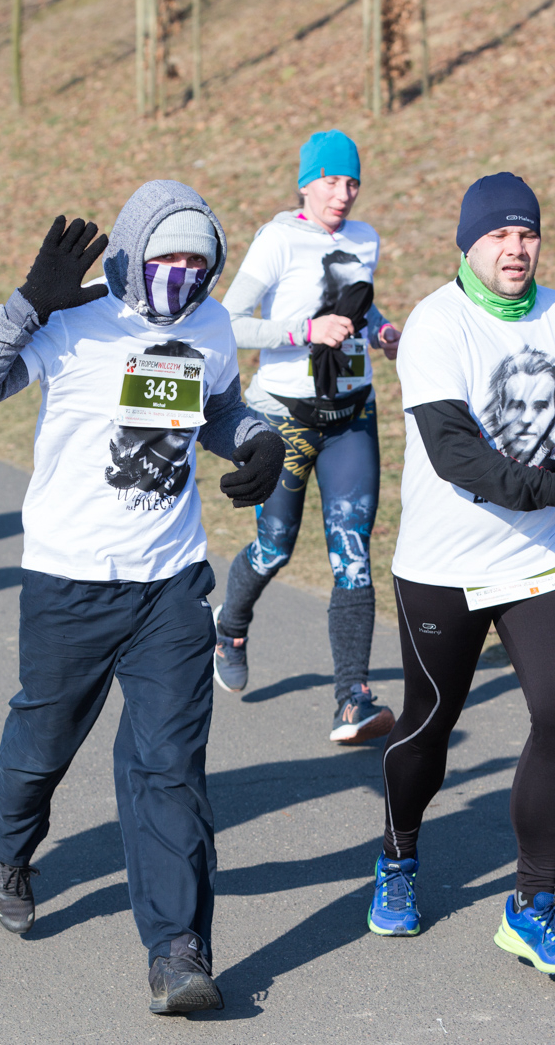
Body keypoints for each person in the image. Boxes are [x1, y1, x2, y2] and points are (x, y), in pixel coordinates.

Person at [0, 182, 287, 1015]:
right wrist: (27, 304)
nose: (182, 276)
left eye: (198, 264)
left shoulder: (205, 325)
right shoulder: (72, 319)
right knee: (43, 738)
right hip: (69, 579)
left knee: (168, 768)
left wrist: (258, 440)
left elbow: (222, 410)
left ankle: (177, 949)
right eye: (167, 258)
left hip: (169, 583)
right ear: (131, 256)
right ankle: (9, 845)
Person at [368, 173, 555, 976]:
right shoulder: (436, 325)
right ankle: (400, 855)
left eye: (528, 234)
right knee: (428, 724)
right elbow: (459, 459)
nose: (516, 249)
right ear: (467, 243)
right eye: (499, 236)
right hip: (444, 562)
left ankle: (533, 903)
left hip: (539, 556)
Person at [209, 129, 400, 745]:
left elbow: (357, 306)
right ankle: (231, 624)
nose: (341, 194)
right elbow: (229, 322)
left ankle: (352, 698)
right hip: (284, 416)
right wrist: (303, 332)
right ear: (305, 182)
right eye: (330, 181)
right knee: (275, 547)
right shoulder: (278, 240)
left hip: (351, 415)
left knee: (353, 552)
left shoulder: (365, 239)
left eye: (351, 184)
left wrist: (381, 332)